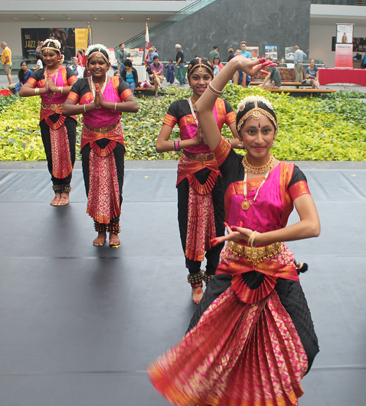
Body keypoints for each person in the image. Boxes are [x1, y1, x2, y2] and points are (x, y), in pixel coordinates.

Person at [148, 55, 320, 406]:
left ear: (274, 132)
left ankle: (263, 395)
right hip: (233, 266)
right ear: (238, 132)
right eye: (251, 130)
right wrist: (236, 64)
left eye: (266, 130)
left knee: (304, 344)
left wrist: (261, 238)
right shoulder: (228, 161)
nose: (259, 138)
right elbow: (204, 105)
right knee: (198, 338)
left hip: (275, 265)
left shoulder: (289, 173)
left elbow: (311, 225)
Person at [155, 57, 241, 304]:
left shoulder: (223, 106)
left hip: (217, 171)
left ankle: (213, 276)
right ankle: (194, 277)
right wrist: (192, 142)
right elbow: (160, 144)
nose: (202, 82)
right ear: (189, 79)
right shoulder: (179, 107)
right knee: (189, 226)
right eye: (196, 77)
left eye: (206, 77)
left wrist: (216, 142)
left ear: (213, 78)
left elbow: (240, 139)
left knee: (217, 224)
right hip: (189, 174)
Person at [62, 44, 138, 247]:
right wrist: (90, 106)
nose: (96, 66)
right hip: (90, 141)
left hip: (114, 140)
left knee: (115, 184)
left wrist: (106, 105)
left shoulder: (117, 82)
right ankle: (100, 230)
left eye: (101, 63)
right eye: (93, 62)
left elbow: (133, 105)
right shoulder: (80, 84)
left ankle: (114, 230)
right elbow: (66, 108)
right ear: (87, 65)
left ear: (108, 65)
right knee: (93, 185)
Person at [19, 39, 78, 206]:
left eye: (51, 54)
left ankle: (65, 190)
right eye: (44, 55)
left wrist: (57, 89)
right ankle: (56, 190)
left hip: (65, 116)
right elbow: (23, 91)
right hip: (46, 117)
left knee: (67, 154)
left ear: (59, 56)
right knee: (51, 153)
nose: (48, 57)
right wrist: (44, 89)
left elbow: (77, 88)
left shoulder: (67, 71)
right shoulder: (38, 73)